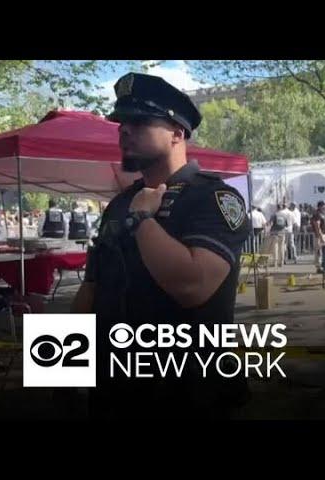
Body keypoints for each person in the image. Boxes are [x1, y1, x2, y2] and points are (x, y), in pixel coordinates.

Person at [71, 72, 250, 419]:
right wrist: (61, 372)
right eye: (121, 123)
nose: (123, 130)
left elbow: (193, 285)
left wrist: (142, 221)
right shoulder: (120, 203)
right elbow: (93, 286)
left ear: (177, 133)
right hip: (115, 392)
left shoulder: (214, 197)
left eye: (138, 121)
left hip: (189, 395)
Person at [312, 201, 325, 273]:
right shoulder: (317, 214)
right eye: (323, 205)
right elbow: (317, 225)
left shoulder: (324, 214)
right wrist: (320, 236)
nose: (324, 207)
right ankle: (319, 267)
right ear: (319, 206)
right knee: (319, 252)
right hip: (319, 236)